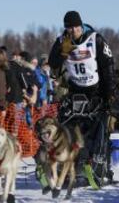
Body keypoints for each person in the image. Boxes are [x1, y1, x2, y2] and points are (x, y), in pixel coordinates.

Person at [47, 11, 115, 187]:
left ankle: (97, 163)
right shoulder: (63, 40)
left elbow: (108, 67)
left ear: (80, 25)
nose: (72, 31)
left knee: (98, 124)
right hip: (74, 90)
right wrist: (63, 50)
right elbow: (53, 64)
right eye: (68, 28)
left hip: (96, 90)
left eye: (74, 27)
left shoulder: (95, 39)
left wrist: (108, 95)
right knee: (66, 124)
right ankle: (65, 164)